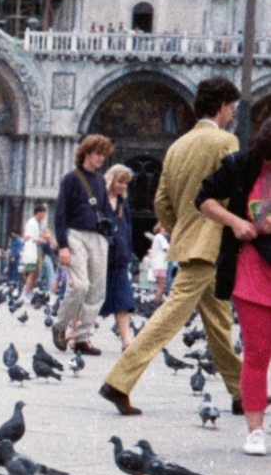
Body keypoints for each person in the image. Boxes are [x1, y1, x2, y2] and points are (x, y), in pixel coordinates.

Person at [100, 76, 243, 416]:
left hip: (192, 242)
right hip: (213, 241)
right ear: (223, 107)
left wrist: (184, 229)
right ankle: (118, 380)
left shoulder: (178, 146)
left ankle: (242, 393)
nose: (233, 114)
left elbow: (162, 201)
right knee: (168, 317)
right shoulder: (226, 141)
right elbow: (236, 192)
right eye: (232, 108)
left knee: (220, 322)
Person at [197, 115, 271, 455]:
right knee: (256, 353)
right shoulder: (240, 165)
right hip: (253, 271)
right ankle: (255, 430)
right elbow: (204, 198)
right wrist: (235, 221)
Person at [52, 133, 115, 355]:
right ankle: (60, 326)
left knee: (97, 290)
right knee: (80, 285)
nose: (100, 159)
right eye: (97, 154)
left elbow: (106, 210)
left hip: (97, 238)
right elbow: (60, 214)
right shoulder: (71, 179)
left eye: (103, 155)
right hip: (75, 234)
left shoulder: (100, 181)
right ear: (86, 153)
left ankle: (82, 338)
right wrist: (63, 246)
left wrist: (111, 227)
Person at [100, 163, 136, 350]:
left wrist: (127, 251)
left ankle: (126, 341)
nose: (123, 186)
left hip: (119, 258)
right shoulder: (100, 201)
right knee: (89, 298)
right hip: (100, 256)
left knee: (123, 299)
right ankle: (75, 334)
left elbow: (127, 230)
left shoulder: (124, 205)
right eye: (120, 181)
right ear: (111, 180)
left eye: (126, 183)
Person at [21, 204, 46, 292]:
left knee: (36, 273)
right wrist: (40, 240)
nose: (43, 216)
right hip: (30, 252)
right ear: (38, 213)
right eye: (43, 213)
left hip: (35, 251)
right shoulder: (31, 222)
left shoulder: (35, 223)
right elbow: (27, 237)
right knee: (31, 273)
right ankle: (26, 293)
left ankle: (29, 291)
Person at [146, 222, 170, 303]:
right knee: (162, 286)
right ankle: (156, 303)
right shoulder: (160, 237)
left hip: (157, 265)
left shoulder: (157, 238)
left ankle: (156, 301)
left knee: (161, 286)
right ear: (161, 228)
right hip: (160, 265)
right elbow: (166, 249)